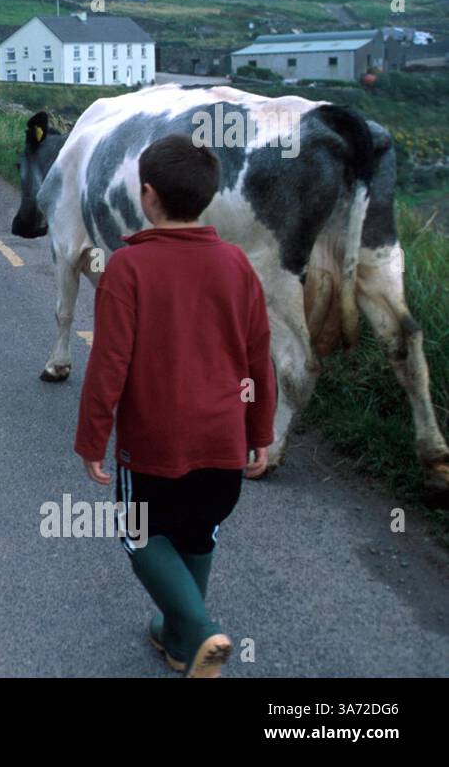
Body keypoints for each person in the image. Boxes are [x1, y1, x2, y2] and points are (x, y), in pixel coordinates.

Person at [73, 134, 275, 679]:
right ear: (206, 197)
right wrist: (262, 432)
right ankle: (180, 642)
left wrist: (93, 440)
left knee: (139, 532)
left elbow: (108, 364)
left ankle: (201, 626)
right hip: (225, 444)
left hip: (156, 446)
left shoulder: (128, 269)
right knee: (197, 532)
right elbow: (260, 359)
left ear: (146, 195)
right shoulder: (237, 265)